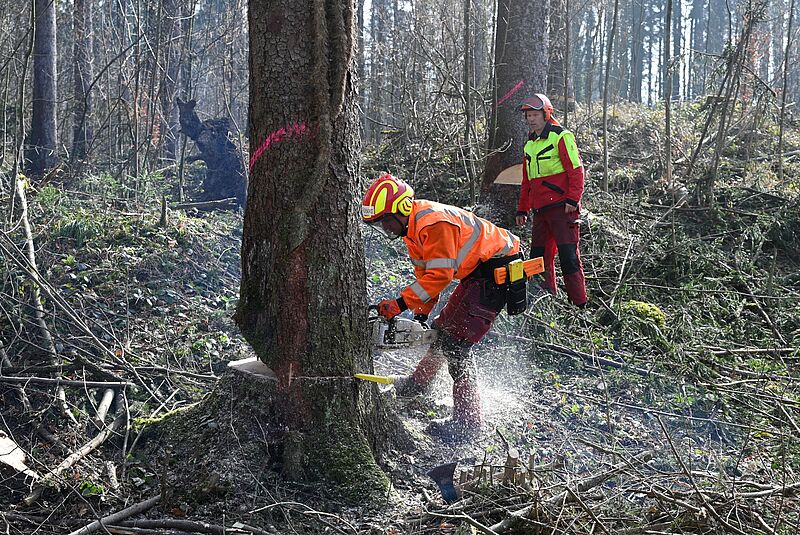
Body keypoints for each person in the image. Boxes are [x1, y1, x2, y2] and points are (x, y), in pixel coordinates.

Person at [362, 173, 522, 441]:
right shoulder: (412, 231)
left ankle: (469, 422)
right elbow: (427, 278)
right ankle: (418, 384)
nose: (385, 227)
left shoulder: (433, 223)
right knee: (441, 330)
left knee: (457, 345)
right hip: (477, 273)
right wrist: (421, 315)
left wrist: (400, 304)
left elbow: (440, 276)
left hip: (498, 270)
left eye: (386, 220)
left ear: (402, 208)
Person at [515, 93, 587, 307]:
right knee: (537, 258)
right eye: (528, 115)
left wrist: (573, 199)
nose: (531, 119)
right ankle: (544, 301)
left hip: (563, 209)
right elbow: (527, 181)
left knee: (568, 257)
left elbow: (576, 171)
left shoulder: (561, 136)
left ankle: (579, 304)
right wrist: (522, 209)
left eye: (535, 115)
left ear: (546, 114)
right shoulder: (530, 144)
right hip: (540, 211)